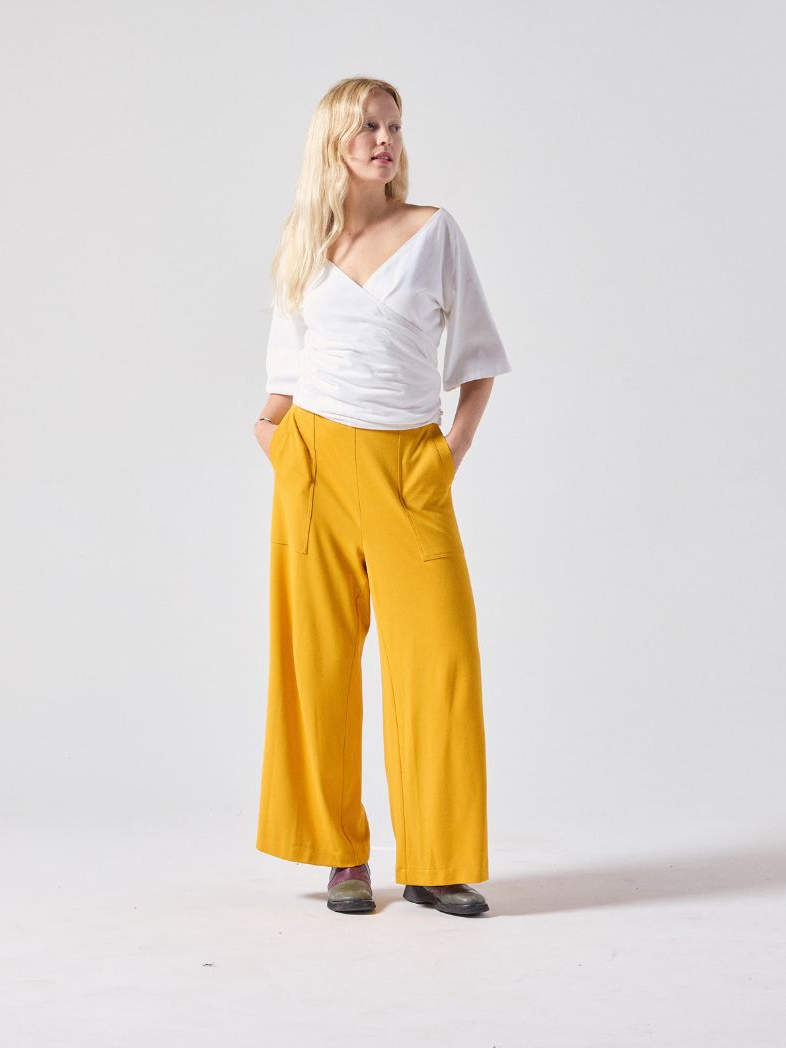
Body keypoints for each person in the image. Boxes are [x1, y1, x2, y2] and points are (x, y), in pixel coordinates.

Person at [252, 77, 511, 918]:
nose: (384, 140)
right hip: (316, 465)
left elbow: (477, 362)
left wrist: (447, 455)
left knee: (439, 662)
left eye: (393, 126)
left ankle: (436, 863)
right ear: (333, 139)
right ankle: (342, 857)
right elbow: (284, 372)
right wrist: (276, 441)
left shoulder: (434, 232)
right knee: (318, 666)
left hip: (409, 466)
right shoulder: (305, 242)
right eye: (367, 126)